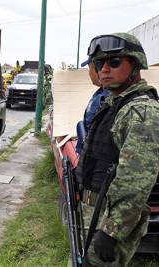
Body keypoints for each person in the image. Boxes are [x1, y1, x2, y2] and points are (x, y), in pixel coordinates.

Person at [75, 33, 159, 266]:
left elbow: (135, 182)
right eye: (99, 63)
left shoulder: (141, 112)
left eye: (113, 62)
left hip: (108, 220)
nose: (104, 69)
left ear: (135, 64)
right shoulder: (116, 103)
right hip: (94, 212)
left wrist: (110, 231)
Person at [75, 57, 110, 153]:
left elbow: (91, 129)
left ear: (96, 70)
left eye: (89, 69)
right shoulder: (103, 92)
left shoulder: (102, 98)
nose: (89, 74)